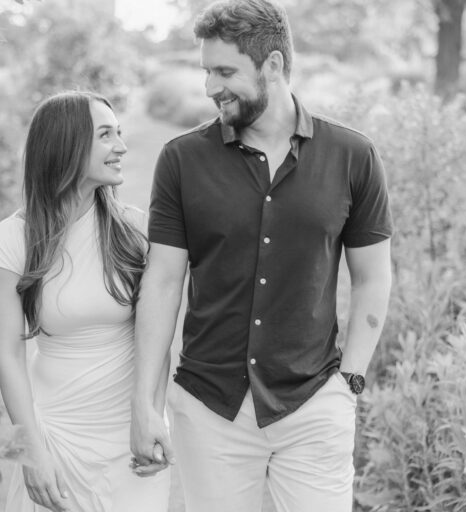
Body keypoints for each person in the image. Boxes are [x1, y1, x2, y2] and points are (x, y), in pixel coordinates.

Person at [129, 1, 394, 511]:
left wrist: (350, 381)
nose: (210, 87)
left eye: (225, 72)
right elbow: (161, 282)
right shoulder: (182, 160)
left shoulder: (353, 156)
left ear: (272, 65)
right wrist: (145, 402)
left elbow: (373, 277)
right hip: (210, 408)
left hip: (314, 403)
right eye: (206, 71)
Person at [0, 91, 170, 512]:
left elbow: (157, 339)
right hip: (56, 434)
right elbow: (8, 355)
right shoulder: (13, 239)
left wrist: (153, 415)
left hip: (130, 435)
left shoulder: (136, 231)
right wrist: (31, 450)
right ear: (67, 145)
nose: (121, 146)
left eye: (119, 133)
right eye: (106, 135)